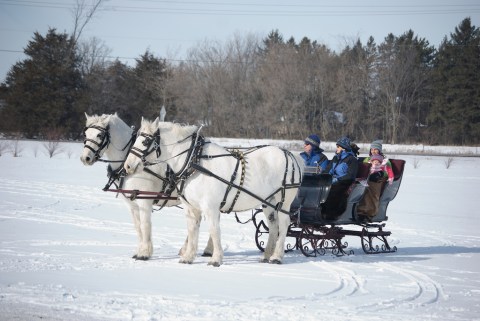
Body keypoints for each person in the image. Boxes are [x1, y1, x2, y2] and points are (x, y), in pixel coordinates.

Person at [321, 136, 359, 219]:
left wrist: (337, 179)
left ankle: (331, 214)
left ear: (344, 148)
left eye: (338, 147)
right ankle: (317, 210)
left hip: (344, 182)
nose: (336, 148)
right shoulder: (336, 158)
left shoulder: (352, 160)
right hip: (332, 181)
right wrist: (324, 177)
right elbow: (328, 170)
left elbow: (351, 175)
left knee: (333, 191)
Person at [356, 140, 394, 222]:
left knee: (371, 189)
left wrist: (381, 174)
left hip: (378, 180)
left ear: (379, 150)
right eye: (372, 149)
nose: (373, 151)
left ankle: (368, 212)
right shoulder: (367, 159)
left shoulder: (384, 160)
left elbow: (388, 171)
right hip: (366, 178)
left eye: (375, 149)